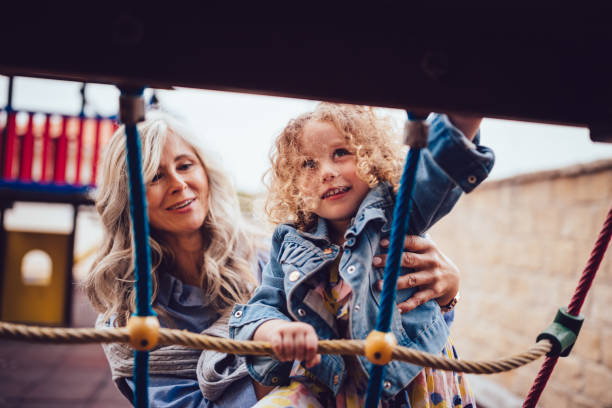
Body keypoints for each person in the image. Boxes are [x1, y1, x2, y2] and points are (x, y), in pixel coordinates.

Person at [84, 111, 465, 408]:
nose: (179, 184)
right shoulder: (127, 319)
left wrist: (447, 294)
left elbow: (386, 305)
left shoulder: (266, 255)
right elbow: (268, 316)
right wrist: (274, 340)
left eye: (185, 165)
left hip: (392, 379)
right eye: (154, 176)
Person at [229, 103, 495, 407]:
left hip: (407, 378)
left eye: (341, 153)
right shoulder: (289, 240)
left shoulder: (396, 213)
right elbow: (263, 307)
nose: (327, 173)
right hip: (331, 383)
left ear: (370, 155)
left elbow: (435, 168)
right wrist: (277, 330)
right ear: (293, 183)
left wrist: (464, 110)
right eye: (308, 164)